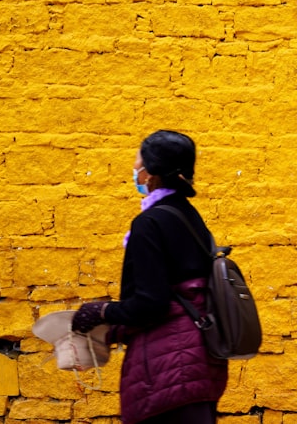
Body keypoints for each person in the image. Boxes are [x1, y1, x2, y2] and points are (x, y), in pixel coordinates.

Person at [71, 130, 227, 424]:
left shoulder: (150, 223)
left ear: (150, 172)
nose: (134, 168)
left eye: (137, 161)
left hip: (166, 368)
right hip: (199, 359)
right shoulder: (189, 217)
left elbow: (151, 304)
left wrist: (101, 312)